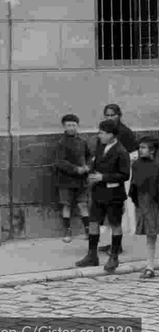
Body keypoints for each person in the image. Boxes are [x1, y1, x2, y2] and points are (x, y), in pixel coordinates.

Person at [76, 118, 131, 273]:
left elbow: (124, 175)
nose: (99, 135)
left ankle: (114, 257)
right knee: (93, 223)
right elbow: (96, 163)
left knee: (115, 225)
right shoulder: (101, 147)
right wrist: (91, 173)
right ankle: (92, 255)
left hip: (114, 195)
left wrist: (103, 177)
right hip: (99, 193)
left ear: (111, 135)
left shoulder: (121, 151)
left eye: (102, 133)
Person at [98, 103, 139, 253]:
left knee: (120, 210)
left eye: (112, 115)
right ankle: (111, 242)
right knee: (108, 211)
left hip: (121, 177)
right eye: (107, 115)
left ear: (119, 115)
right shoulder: (104, 133)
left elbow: (134, 155)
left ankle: (118, 245)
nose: (109, 118)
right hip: (107, 177)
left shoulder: (125, 132)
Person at [55, 113, 91, 243]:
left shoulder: (82, 141)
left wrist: (87, 166)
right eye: (68, 125)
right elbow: (60, 162)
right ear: (64, 126)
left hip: (81, 180)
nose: (71, 127)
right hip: (66, 180)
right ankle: (68, 231)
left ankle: (88, 231)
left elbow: (89, 156)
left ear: (77, 126)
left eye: (74, 125)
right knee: (67, 205)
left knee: (83, 204)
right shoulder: (61, 143)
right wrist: (76, 169)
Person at [129, 136, 159, 280]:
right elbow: (134, 184)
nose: (140, 150)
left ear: (152, 150)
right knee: (150, 235)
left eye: (144, 147)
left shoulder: (157, 165)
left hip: (155, 201)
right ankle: (150, 267)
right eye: (139, 147)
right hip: (145, 202)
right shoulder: (137, 165)